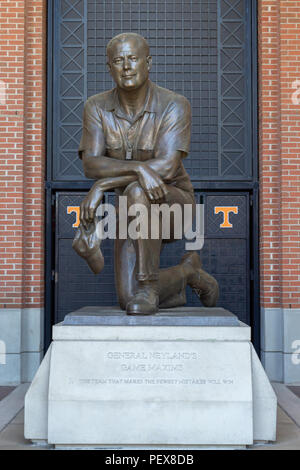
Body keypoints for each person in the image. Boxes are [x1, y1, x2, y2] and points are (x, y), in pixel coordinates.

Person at [76, 32, 218, 315]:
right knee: (128, 299)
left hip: (173, 205)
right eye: (118, 60)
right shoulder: (96, 107)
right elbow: (90, 164)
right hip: (132, 211)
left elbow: (166, 167)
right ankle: (189, 272)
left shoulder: (174, 104)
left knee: (138, 191)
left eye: (133, 58)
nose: (126, 66)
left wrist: (103, 185)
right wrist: (138, 168)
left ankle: (150, 284)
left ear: (148, 63)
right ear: (109, 67)